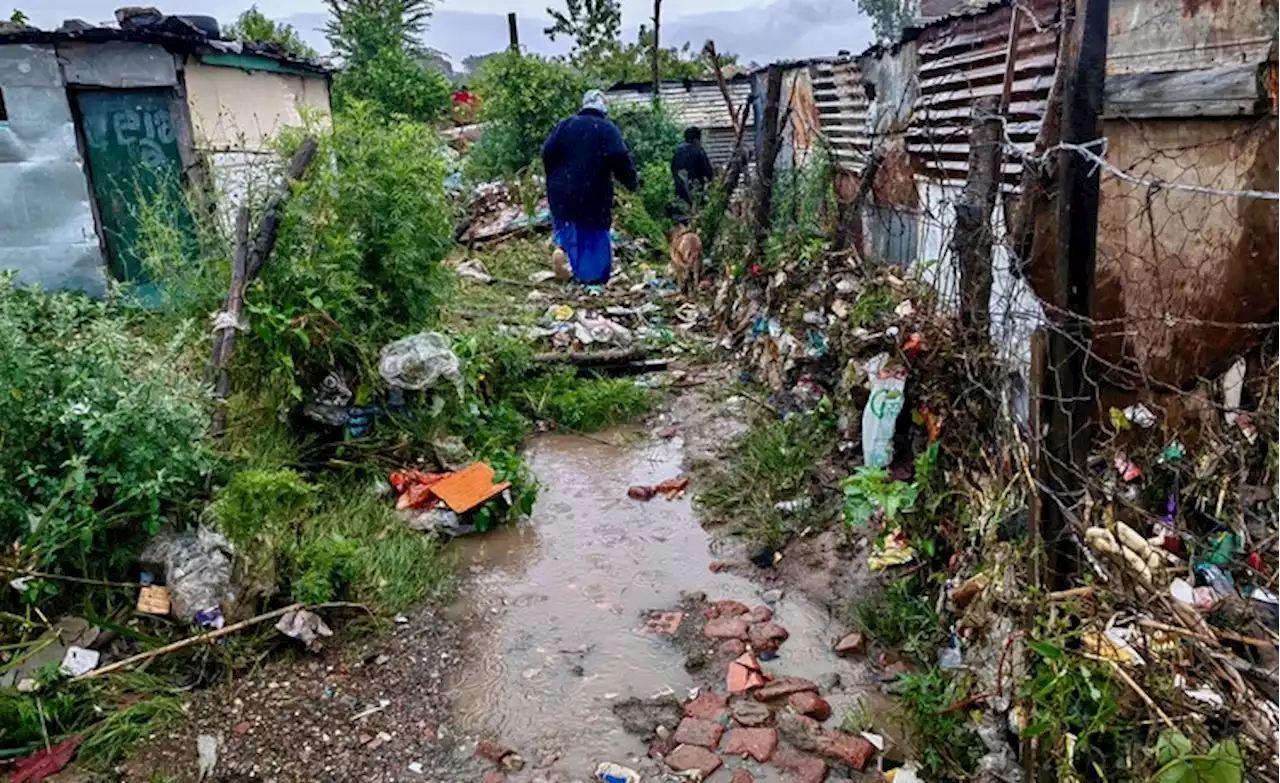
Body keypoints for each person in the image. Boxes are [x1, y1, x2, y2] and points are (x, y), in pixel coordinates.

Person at [541, 89, 638, 285]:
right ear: (603, 107)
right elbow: (619, 157)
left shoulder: (564, 126)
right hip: (592, 193)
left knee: (568, 230)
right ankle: (592, 280)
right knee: (593, 236)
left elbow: (546, 153)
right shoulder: (606, 128)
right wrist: (631, 183)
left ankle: (564, 255)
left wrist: (555, 178)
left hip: (561, 192)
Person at [670, 126, 715, 208]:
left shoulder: (678, 151)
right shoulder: (698, 150)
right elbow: (708, 172)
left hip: (680, 191)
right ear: (696, 139)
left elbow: (673, 169)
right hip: (696, 191)